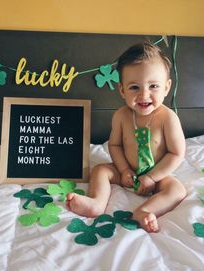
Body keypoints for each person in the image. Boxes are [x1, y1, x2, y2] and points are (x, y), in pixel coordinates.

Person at [67, 42, 187, 232]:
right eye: (134, 87)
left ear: (166, 87)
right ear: (122, 90)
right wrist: (123, 170)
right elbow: (114, 145)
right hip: (128, 172)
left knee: (177, 190)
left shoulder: (168, 118)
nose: (144, 95)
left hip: (157, 176)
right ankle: (96, 203)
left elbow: (176, 154)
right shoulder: (121, 116)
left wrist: (151, 177)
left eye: (153, 86)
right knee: (99, 170)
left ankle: (145, 211)